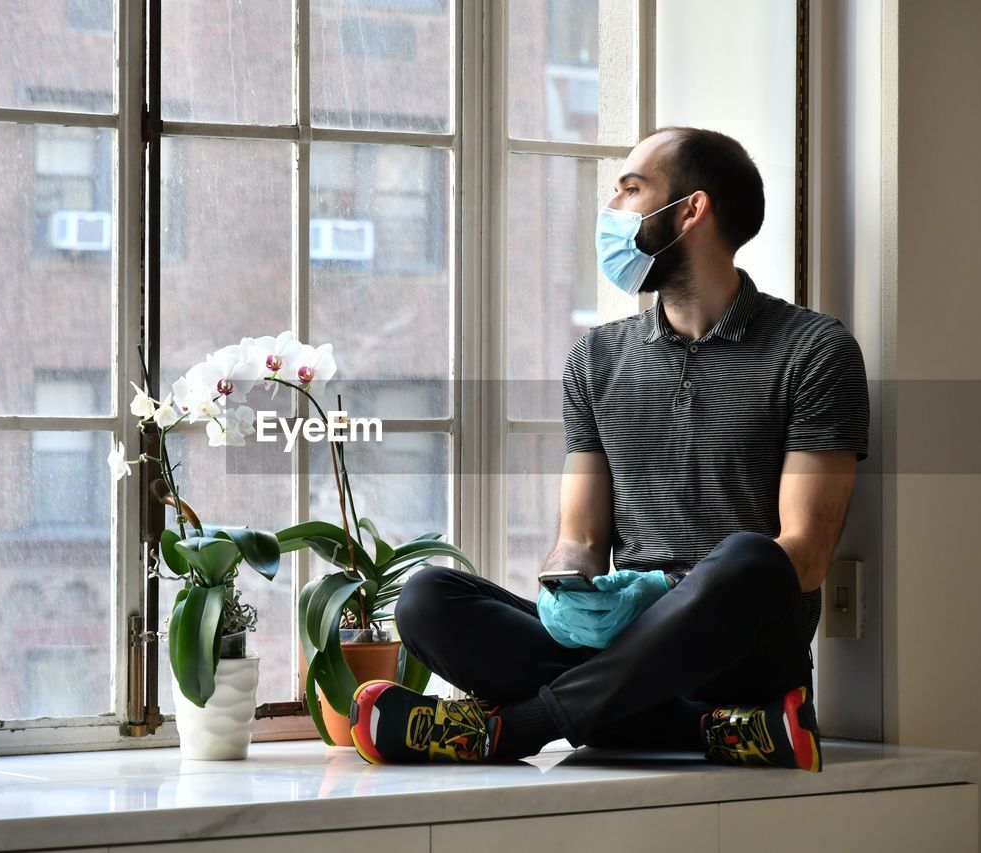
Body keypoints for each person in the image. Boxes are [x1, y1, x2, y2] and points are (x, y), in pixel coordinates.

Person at [347, 127, 869, 771]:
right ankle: (722, 732)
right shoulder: (596, 359)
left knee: (750, 559)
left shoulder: (814, 350)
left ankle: (518, 729)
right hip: (626, 655)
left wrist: (661, 591)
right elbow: (581, 539)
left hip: (745, 649)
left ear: (689, 211)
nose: (611, 211)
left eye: (630, 189)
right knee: (428, 599)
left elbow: (807, 558)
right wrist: (567, 591)